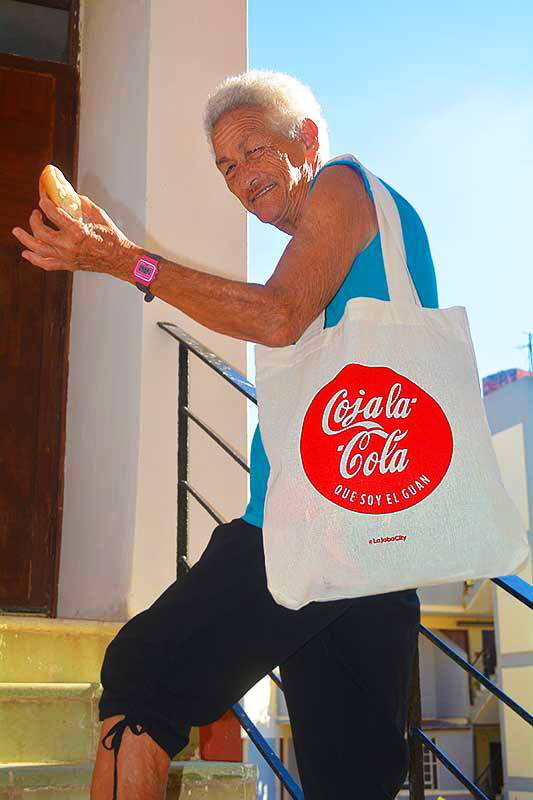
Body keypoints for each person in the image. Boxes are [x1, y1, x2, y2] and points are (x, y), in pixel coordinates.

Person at [12, 70, 439, 800]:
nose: (241, 178)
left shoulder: (343, 186)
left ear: (307, 139)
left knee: (142, 675)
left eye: (254, 151)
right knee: (351, 775)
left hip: (313, 523)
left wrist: (122, 258)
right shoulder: (335, 238)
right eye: (226, 167)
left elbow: (276, 314)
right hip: (376, 540)